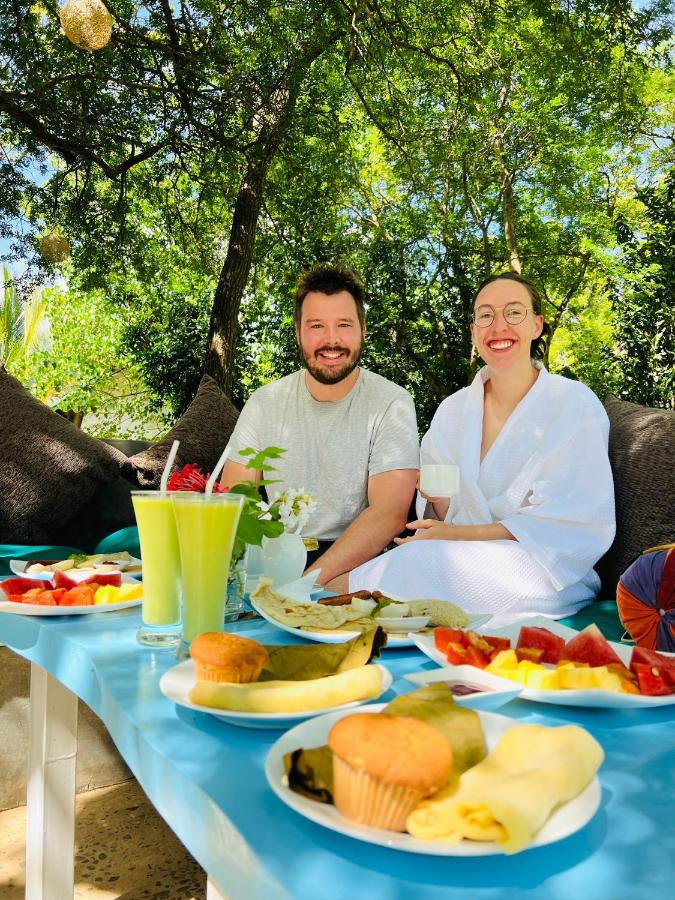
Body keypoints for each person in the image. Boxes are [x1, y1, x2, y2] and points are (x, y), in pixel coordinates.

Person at [329, 272, 616, 625]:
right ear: (473, 331)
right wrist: (431, 495)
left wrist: (456, 534)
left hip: (541, 567)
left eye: (514, 312)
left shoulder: (573, 403)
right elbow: (444, 508)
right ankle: (319, 608)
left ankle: (318, 606)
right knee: (418, 562)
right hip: (453, 552)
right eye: (485, 315)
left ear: (537, 325)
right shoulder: (453, 409)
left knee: (420, 563)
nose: (499, 327)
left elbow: (567, 521)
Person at [220, 263, 420, 585]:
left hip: (358, 563)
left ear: (362, 330)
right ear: (298, 332)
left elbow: (389, 514)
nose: (332, 340)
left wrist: (307, 584)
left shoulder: (391, 402)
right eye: (316, 326)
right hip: (274, 556)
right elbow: (234, 498)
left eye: (344, 324)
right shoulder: (265, 402)